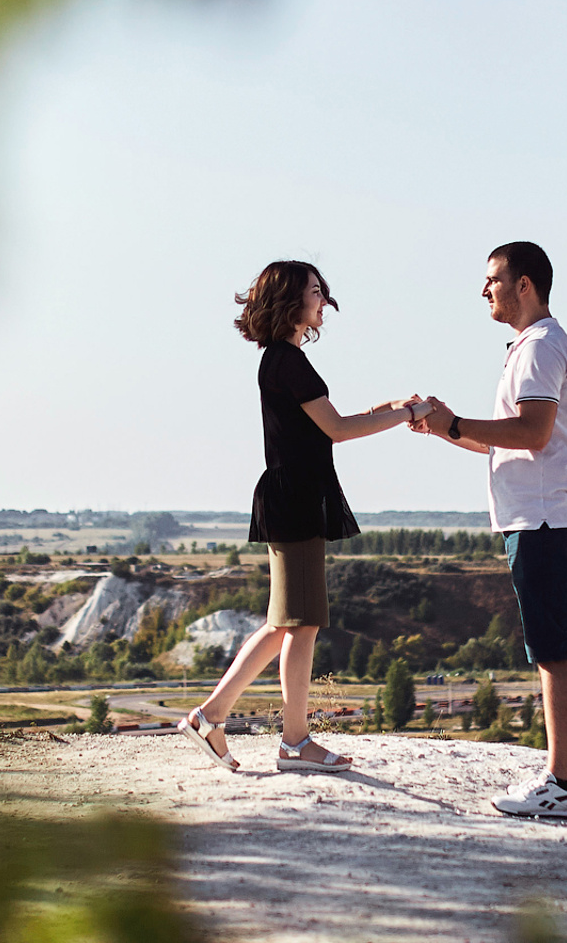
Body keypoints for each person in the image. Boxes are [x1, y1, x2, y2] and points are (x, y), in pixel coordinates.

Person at [180, 260, 425, 774]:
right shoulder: (286, 361)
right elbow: (335, 429)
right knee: (303, 623)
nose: (323, 301)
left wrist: (393, 405)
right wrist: (405, 416)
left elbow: (325, 425)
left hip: (292, 497)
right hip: (295, 501)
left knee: (283, 624)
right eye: (315, 292)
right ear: (291, 300)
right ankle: (293, 742)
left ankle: (211, 718)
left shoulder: (281, 359)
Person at [412, 241, 567, 820]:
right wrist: (444, 428)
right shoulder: (534, 345)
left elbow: (533, 432)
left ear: (525, 285)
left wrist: (459, 421)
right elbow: (504, 438)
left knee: (553, 655)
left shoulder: (540, 347)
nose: (485, 289)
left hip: (541, 518)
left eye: (493, 279)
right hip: (555, 514)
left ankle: (560, 784)